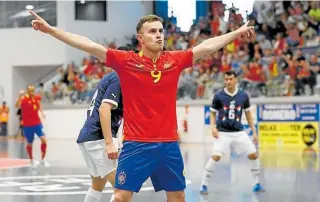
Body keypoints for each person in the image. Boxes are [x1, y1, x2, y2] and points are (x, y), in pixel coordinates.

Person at [30, 10, 255, 202]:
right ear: (140, 38)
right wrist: (51, 30)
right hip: (136, 145)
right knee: (120, 197)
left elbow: (207, 47)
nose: (159, 36)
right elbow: (88, 45)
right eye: (152, 32)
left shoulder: (174, 60)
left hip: (168, 146)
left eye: (160, 31)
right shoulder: (126, 62)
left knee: (178, 197)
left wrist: (236, 32)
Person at [77, 46, 136, 202]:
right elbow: (104, 110)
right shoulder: (119, 77)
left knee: (98, 184)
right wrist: (109, 143)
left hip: (88, 136)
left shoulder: (114, 78)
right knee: (122, 190)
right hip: (98, 138)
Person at [200, 71, 265, 194]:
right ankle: (204, 184)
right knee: (216, 156)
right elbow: (213, 112)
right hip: (223, 132)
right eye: (226, 79)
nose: (228, 81)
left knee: (253, 154)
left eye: (230, 79)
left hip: (239, 132)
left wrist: (254, 132)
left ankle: (256, 183)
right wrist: (213, 127)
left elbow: (248, 114)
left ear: (236, 80)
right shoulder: (219, 96)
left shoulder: (243, 95)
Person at [15, 84, 49, 168]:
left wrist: (42, 113)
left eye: (33, 90)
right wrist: (19, 96)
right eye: (30, 90)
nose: (32, 92)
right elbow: (16, 105)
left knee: (43, 139)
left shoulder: (36, 98)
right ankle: (31, 159)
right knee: (30, 143)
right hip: (27, 125)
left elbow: (39, 105)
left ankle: (43, 159)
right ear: (27, 91)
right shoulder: (23, 99)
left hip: (37, 123)